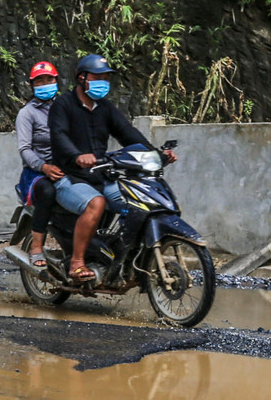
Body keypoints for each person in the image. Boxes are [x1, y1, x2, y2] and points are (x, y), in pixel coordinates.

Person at [47, 53, 175, 282]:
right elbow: (59, 136)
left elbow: (128, 133)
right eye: (98, 77)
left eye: (106, 78)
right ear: (81, 78)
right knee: (96, 203)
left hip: (101, 176)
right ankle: (77, 262)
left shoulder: (105, 107)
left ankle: (118, 255)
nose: (102, 82)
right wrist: (77, 156)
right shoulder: (62, 105)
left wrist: (156, 153)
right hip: (69, 178)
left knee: (137, 203)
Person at [15, 61, 65, 259]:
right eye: (40, 81)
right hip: (36, 174)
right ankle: (36, 247)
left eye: (49, 79)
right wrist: (44, 167)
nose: (45, 84)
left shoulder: (65, 107)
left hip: (65, 168)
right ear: (32, 85)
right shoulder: (26, 113)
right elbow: (25, 149)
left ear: (56, 80)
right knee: (47, 191)